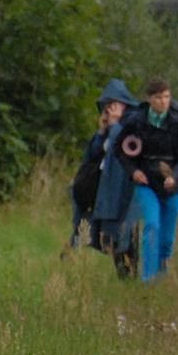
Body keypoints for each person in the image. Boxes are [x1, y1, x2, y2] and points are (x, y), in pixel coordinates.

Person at [111, 78, 178, 283]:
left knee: (166, 239)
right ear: (149, 99)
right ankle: (147, 279)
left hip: (173, 186)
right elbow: (119, 150)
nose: (163, 101)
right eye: (158, 97)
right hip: (146, 183)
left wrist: (174, 175)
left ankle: (161, 273)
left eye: (166, 97)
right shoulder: (136, 121)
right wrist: (133, 171)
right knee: (152, 225)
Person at [74, 79, 139, 250]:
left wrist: (115, 125)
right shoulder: (109, 127)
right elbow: (94, 155)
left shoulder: (133, 125)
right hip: (99, 188)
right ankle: (74, 258)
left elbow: (122, 150)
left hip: (121, 192)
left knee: (120, 241)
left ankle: (123, 260)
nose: (109, 110)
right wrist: (102, 131)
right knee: (84, 232)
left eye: (113, 105)